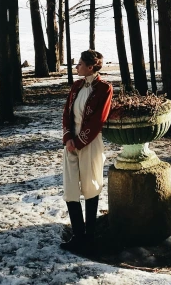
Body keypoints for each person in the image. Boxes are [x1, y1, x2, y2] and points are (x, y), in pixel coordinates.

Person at [61, 49, 113, 252]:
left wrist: (79, 141)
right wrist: (68, 139)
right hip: (70, 145)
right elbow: (67, 113)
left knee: (91, 185)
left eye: (80, 64)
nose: (77, 67)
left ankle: (90, 236)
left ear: (90, 67)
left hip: (90, 143)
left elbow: (98, 119)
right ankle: (78, 235)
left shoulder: (104, 89)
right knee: (71, 188)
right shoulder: (76, 86)